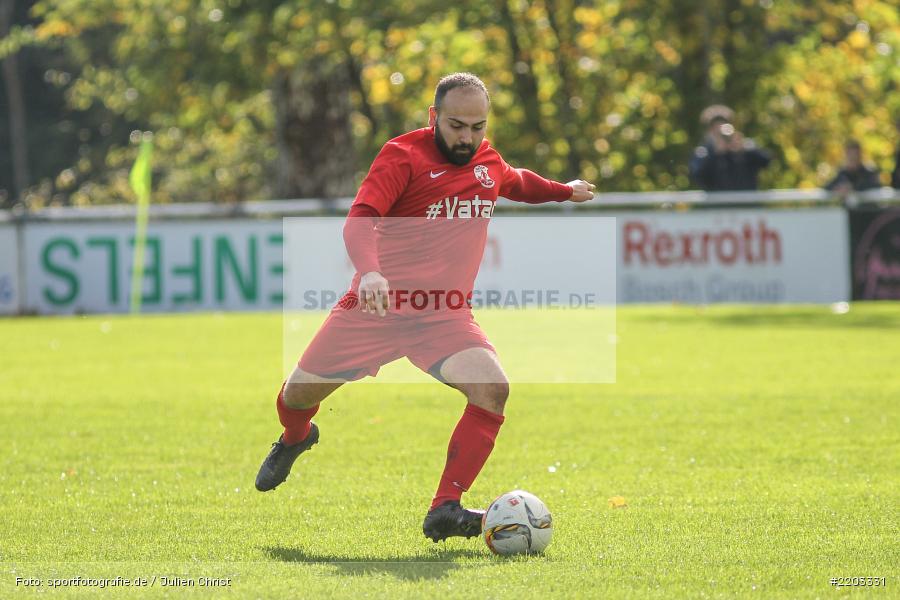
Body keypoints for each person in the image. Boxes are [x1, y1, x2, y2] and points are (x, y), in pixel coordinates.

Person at [254, 72, 596, 543]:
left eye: (477, 127)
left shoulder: (485, 160)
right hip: (374, 311)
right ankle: (295, 438)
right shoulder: (403, 156)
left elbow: (515, 182)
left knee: (492, 388)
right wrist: (371, 271)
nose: (468, 137)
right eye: (457, 126)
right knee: (296, 397)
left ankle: (445, 508)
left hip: (443, 316)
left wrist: (563, 189)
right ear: (434, 117)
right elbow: (360, 220)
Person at [689, 104, 771, 191]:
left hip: (746, 202)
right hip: (716, 203)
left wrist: (743, 150)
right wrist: (715, 154)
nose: (719, 131)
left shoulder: (745, 146)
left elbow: (766, 161)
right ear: (709, 130)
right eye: (715, 127)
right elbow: (698, 176)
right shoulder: (703, 152)